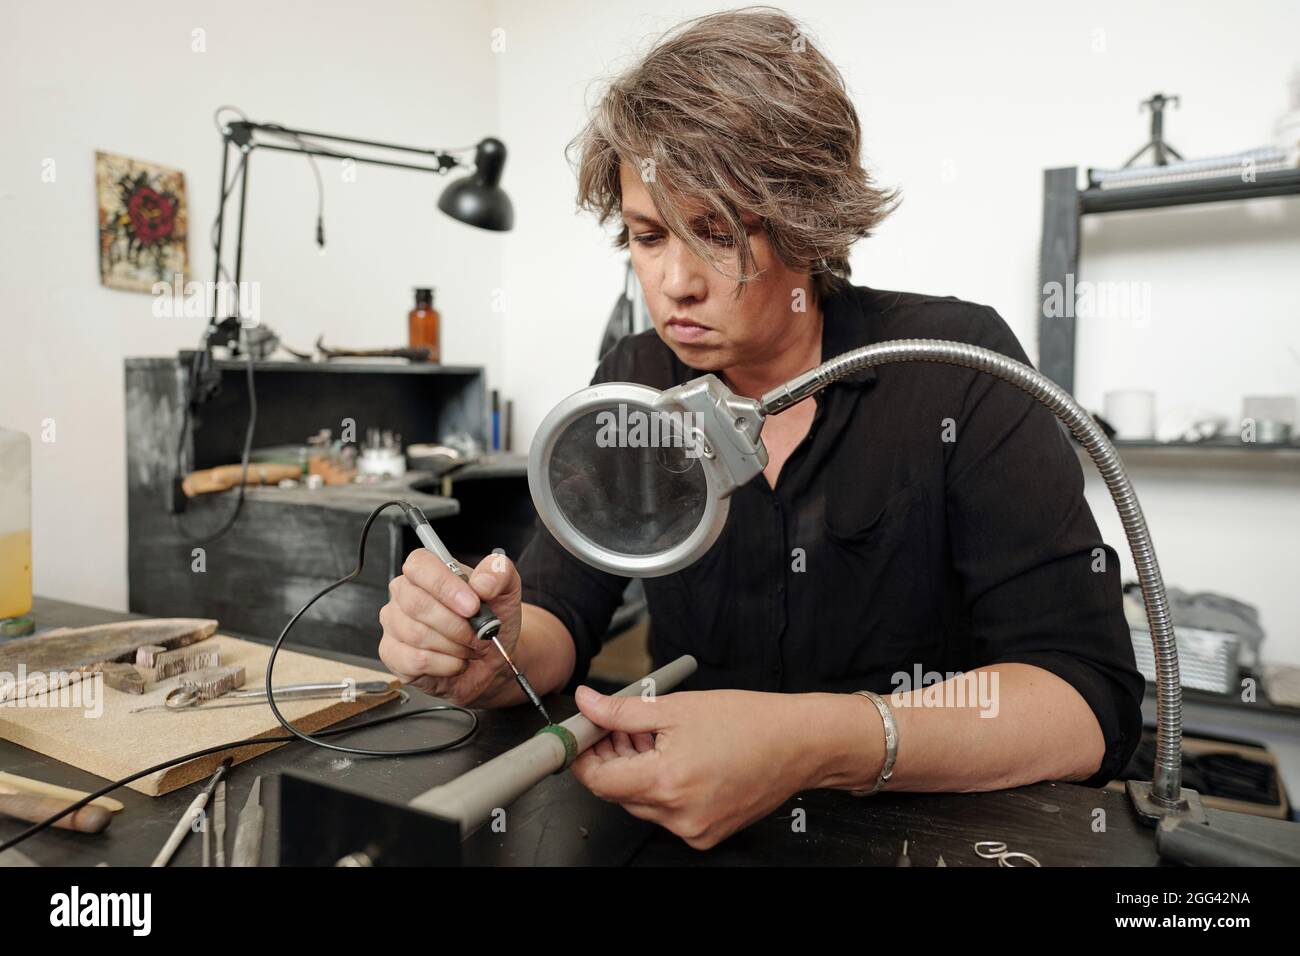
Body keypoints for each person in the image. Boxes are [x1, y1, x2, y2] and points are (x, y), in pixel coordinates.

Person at [379, 6, 1144, 850]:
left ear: (806, 220)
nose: (673, 283)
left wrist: (813, 744)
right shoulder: (636, 383)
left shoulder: (953, 367)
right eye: (646, 235)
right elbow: (563, 611)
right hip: (684, 832)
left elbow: (1085, 700)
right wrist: (500, 649)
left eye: (717, 233)